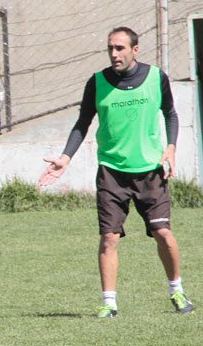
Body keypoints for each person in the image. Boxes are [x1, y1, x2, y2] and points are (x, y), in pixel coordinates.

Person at [39, 26, 194, 318]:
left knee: (163, 233)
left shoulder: (156, 77)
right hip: (111, 172)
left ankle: (177, 290)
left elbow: (170, 113)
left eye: (120, 48)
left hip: (150, 172)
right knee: (109, 237)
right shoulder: (97, 82)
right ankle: (109, 303)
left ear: (135, 50)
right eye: (110, 48)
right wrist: (65, 158)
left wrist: (171, 147)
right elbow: (82, 123)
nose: (114, 54)